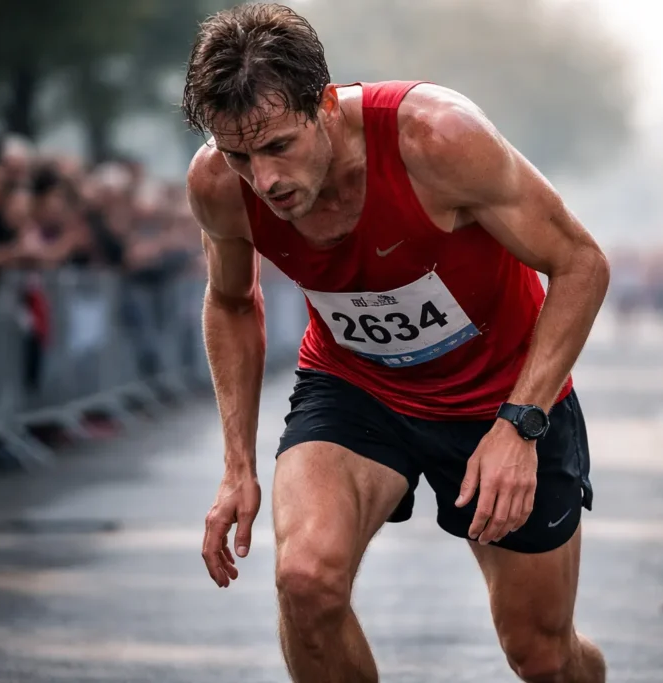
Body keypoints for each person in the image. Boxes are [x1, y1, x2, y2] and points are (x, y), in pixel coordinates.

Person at [181, 4, 610, 682]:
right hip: (358, 391)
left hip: (501, 392)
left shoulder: (436, 139)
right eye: (239, 155)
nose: (264, 181)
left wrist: (520, 424)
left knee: (541, 656)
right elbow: (232, 301)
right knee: (305, 579)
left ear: (324, 103)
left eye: (278, 147)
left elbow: (582, 263)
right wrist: (238, 463)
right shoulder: (218, 187)